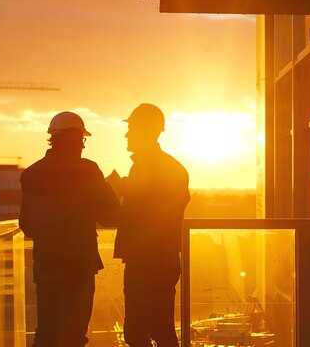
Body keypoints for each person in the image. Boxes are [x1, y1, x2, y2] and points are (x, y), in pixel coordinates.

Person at [19, 111, 120, 347]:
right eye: (82, 140)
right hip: (79, 267)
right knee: (74, 335)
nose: (83, 146)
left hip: (47, 267)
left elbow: (28, 226)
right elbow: (110, 215)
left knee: (46, 333)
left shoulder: (32, 174)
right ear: (75, 139)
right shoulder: (88, 171)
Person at [110, 103, 190, 347]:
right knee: (157, 328)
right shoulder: (165, 167)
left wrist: (118, 191)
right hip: (156, 260)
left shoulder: (151, 168)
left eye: (132, 128)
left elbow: (146, 213)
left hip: (148, 261)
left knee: (141, 331)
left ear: (146, 130)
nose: (127, 134)